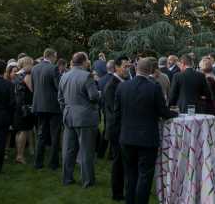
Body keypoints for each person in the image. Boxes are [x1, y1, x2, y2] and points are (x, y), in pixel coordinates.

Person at [114, 57, 178, 204]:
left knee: (130, 174)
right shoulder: (154, 87)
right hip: (147, 139)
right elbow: (163, 111)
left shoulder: (122, 87)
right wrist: (176, 113)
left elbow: (117, 113)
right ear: (150, 70)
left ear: (136, 69)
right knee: (144, 176)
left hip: (127, 137)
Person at [58, 51, 100, 187]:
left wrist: (67, 109)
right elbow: (93, 96)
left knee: (68, 150)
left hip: (69, 115)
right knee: (86, 151)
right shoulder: (87, 76)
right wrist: (100, 92)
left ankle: (67, 178)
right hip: (85, 117)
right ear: (83, 61)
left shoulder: (64, 76)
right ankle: (87, 181)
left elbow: (60, 98)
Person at [104, 57, 131, 201]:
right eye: (125, 66)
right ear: (117, 68)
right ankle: (117, 193)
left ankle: (125, 190)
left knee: (124, 162)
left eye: (129, 66)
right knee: (118, 163)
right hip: (117, 130)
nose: (128, 69)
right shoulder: (111, 86)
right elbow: (113, 111)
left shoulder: (124, 83)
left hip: (124, 129)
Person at [31, 48, 62, 171]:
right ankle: (53, 163)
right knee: (55, 135)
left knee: (41, 134)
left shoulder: (35, 68)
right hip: (53, 106)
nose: (56, 59)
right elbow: (59, 87)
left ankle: (38, 162)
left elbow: (33, 87)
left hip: (39, 105)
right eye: (55, 56)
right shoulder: (53, 68)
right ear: (52, 56)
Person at [13, 56, 35, 164]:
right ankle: (20, 156)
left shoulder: (17, 75)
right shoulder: (26, 75)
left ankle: (18, 154)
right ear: (26, 64)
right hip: (25, 107)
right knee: (24, 131)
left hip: (18, 106)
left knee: (19, 131)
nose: (33, 66)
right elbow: (32, 90)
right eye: (31, 64)